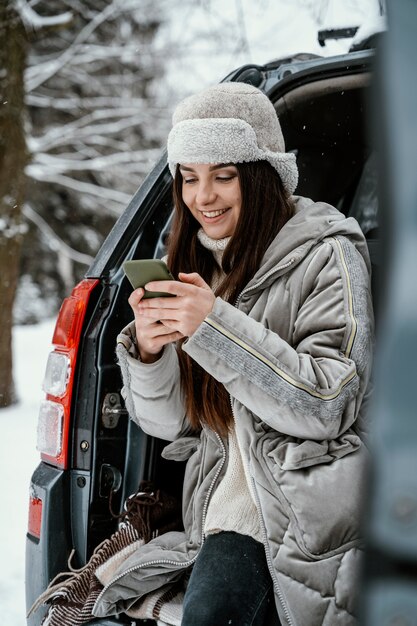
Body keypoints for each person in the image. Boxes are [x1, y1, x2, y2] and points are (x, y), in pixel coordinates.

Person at [94, 82, 374, 626]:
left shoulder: (328, 254)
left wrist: (214, 327)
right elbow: (170, 424)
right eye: (190, 177)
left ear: (264, 176)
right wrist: (150, 354)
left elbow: (328, 403)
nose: (204, 197)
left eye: (224, 176)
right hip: (221, 505)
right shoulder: (195, 263)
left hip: (304, 498)